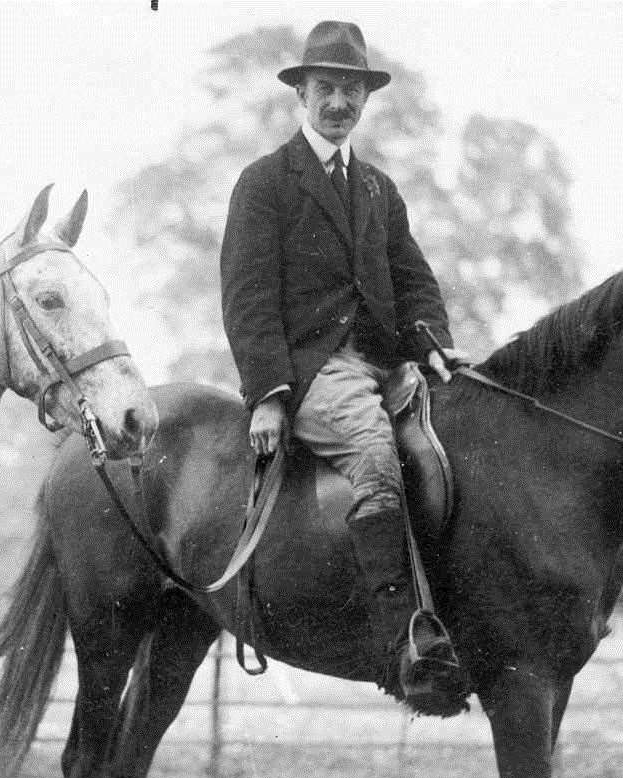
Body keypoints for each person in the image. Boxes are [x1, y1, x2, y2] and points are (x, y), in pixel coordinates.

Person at [220, 19, 463, 695]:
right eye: (326, 88)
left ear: (364, 100)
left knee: (459, 436)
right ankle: (403, 643)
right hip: (312, 372)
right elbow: (247, 300)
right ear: (301, 92)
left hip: (386, 367)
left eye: (350, 92)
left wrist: (435, 344)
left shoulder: (378, 189)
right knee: (375, 457)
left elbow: (410, 279)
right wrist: (267, 395)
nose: (338, 104)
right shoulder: (265, 182)